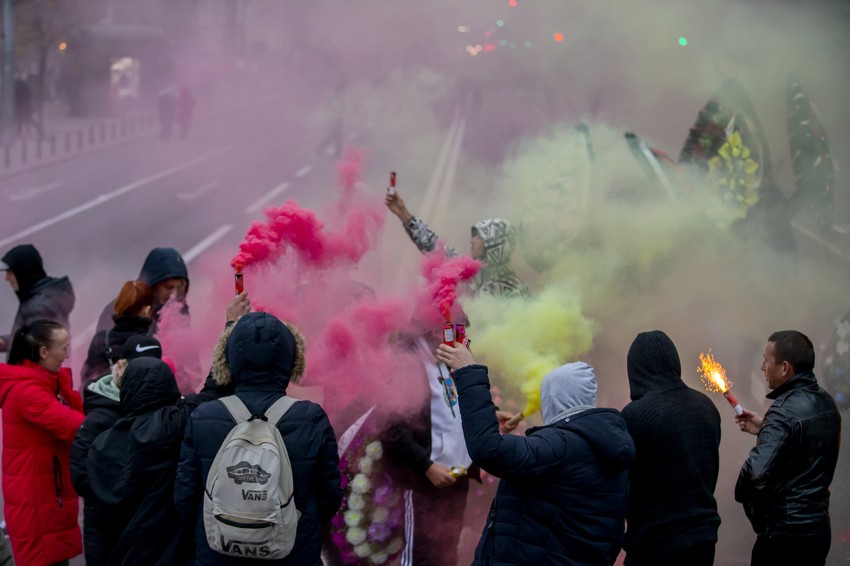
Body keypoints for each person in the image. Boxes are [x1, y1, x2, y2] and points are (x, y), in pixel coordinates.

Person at [435, 344, 635, 565]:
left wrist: (468, 370)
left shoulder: (561, 444)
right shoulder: (604, 443)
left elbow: (488, 448)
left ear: (553, 398)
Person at [174, 312, 343, 566]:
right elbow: (329, 497)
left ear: (228, 359)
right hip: (292, 554)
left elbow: (185, 498)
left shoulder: (203, 417)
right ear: (291, 360)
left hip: (219, 555)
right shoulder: (311, 418)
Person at [735, 330, 841, 566]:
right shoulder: (827, 402)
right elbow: (806, 449)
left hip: (784, 538)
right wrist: (766, 428)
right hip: (817, 530)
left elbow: (755, 475)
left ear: (784, 368)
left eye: (766, 360)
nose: (762, 367)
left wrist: (741, 492)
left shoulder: (782, 412)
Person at [621, 330, 721, 566]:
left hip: (654, 545)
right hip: (703, 537)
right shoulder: (706, 406)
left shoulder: (636, 415)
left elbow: (624, 478)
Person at [381, 327, 477, 566]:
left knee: (447, 553)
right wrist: (426, 466)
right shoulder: (407, 365)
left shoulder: (449, 359)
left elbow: (455, 408)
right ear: (432, 330)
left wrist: (493, 418)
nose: (460, 338)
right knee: (421, 556)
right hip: (424, 481)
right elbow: (391, 429)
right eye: (453, 329)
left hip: (457, 477)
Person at [70, 335, 164, 566]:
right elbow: (81, 476)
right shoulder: (98, 417)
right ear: (121, 366)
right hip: (107, 530)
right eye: (139, 366)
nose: (146, 373)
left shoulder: (158, 408)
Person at [0, 320, 84, 565]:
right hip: (37, 503)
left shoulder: (42, 384)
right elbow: (75, 426)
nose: (67, 354)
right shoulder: (28, 392)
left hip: (45, 496)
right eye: (64, 348)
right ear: (44, 352)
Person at [385, 191, 528, 298]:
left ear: (494, 244)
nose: (472, 240)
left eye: (479, 236)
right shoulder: (470, 274)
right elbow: (434, 246)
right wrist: (403, 213)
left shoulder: (515, 290)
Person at [0, 244, 75, 357]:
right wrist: (4, 342)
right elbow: (28, 339)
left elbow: (34, 354)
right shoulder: (42, 298)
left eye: (10, 272)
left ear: (22, 272)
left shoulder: (39, 308)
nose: (7, 278)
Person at [95, 247, 189, 335]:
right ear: (153, 284)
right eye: (168, 287)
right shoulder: (121, 310)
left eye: (179, 288)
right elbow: (103, 348)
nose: (174, 295)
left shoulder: (179, 311)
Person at [81, 280, 155, 386]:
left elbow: (86, 378)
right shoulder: (151, 342)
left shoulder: (102, 340)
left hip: (106, 400)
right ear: (147, 310)